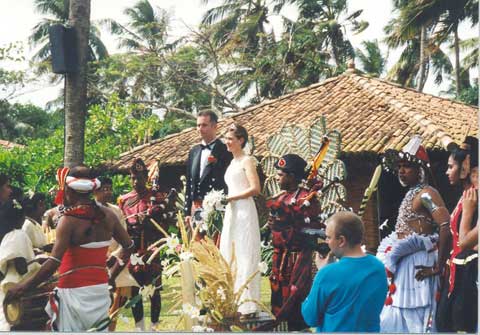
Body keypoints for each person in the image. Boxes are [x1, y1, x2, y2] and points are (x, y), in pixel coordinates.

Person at [4, 166, 134, 332]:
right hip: (100, 290)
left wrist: (22, 287)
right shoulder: (109, 215)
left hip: (72, 293)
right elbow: (129, 246)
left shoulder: (68, 221)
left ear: (69, 191)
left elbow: (53, 263)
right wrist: (111, 275)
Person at [377, 135, 451, 333]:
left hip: (420, 263)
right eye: (399, 166)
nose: (401, 170)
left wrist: (438, 266)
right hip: (405, 263)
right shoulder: (413, 193)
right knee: (397, 315)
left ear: (421, 170)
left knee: (418, 318)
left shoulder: (427, 193)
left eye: (407, 165)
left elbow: (446, 226)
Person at [258, 153, 323, 331]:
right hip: (280, 262)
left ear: (292, 176)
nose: (277, 178)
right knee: (278, 300)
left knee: (296, 303)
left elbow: (311, 229)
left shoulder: (308, 198)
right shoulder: (280, 198)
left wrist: (287, 225)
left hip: (297, 261)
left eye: (281, 175)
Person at [301, 211, 388, 332]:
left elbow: (310, 318)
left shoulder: (326, 274)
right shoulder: (378, 267)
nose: (326, 242)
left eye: (329, 237)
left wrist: (322, 272)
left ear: (341, 240)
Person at [118, 158, 177, 331]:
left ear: (146, 177)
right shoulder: (124, 200)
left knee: (153, 289)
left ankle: (154, 326)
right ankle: (139, 327)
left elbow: (165, 222)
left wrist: (149, 222)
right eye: (133, 178)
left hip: (151, 247)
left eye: (140, 177)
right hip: (133, 248)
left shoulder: (156, 197)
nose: (136, 181)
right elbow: (120, 225)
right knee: (135, 289)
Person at [436, 136, 478, 332]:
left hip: (469, 273)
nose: (446, 171)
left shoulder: (472, 199)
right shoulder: (466, 195)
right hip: (456, 272)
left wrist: (469, 212)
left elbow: (464, 242)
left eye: (451, 166)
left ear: (465, 169)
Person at [219, 123, 261, 317]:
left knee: (244, 252)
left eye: (231, 139)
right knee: (230, 251)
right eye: (226, 138)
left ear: (241, 140)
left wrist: (232, 198)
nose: (227, 142)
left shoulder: (247, 160)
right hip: (232, 210)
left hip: (244, 209)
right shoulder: (232, 162)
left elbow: (255, 189)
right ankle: (233, 300)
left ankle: (248, 304)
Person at [94, 176, 139, 331]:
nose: (107, 192)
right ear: (95, 191)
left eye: (109, 188)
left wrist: (115, 255)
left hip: (116, 263)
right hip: (95, 263)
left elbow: (124, 237)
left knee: (115, 306)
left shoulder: (116, 210)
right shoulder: (89, 210)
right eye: (103, 189)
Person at [184, 111, 233, 230]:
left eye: (204, 125)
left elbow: (228, 181)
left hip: (216, 207)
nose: (200, 128)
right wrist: (187, 211)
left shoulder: (225, 150)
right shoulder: (193, 151)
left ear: (215, 126)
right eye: (198, 125)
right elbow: (190, 182)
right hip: (195, 207)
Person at [0, 199, 40, 331]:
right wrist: (37, 262)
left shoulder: (7, 235)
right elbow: (21, 268)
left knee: (9, 318)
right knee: (16, 320)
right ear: (20, 218)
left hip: (8, 283)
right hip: (18, 283)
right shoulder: (18, 235)